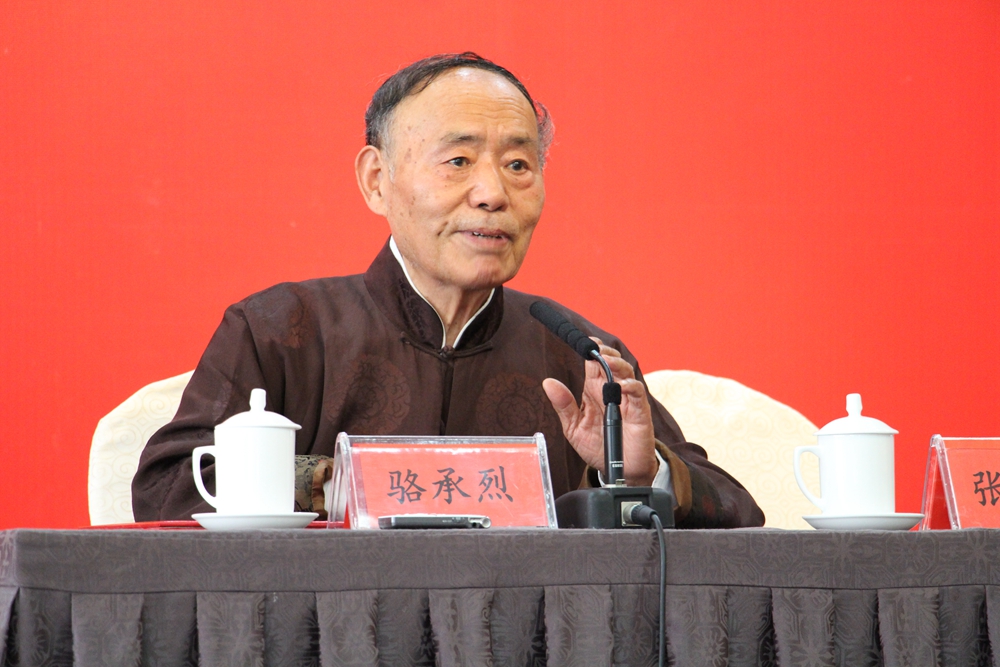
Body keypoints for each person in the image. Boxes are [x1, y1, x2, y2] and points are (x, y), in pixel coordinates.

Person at [132, 53, 764, 528]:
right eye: (458, 161)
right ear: (377, 180)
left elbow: (738, 510)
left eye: (518, 165)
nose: (492, 193)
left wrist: (637, 471)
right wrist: (334, 483)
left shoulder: (578, 355)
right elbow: (166, 487)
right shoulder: (283, 329)